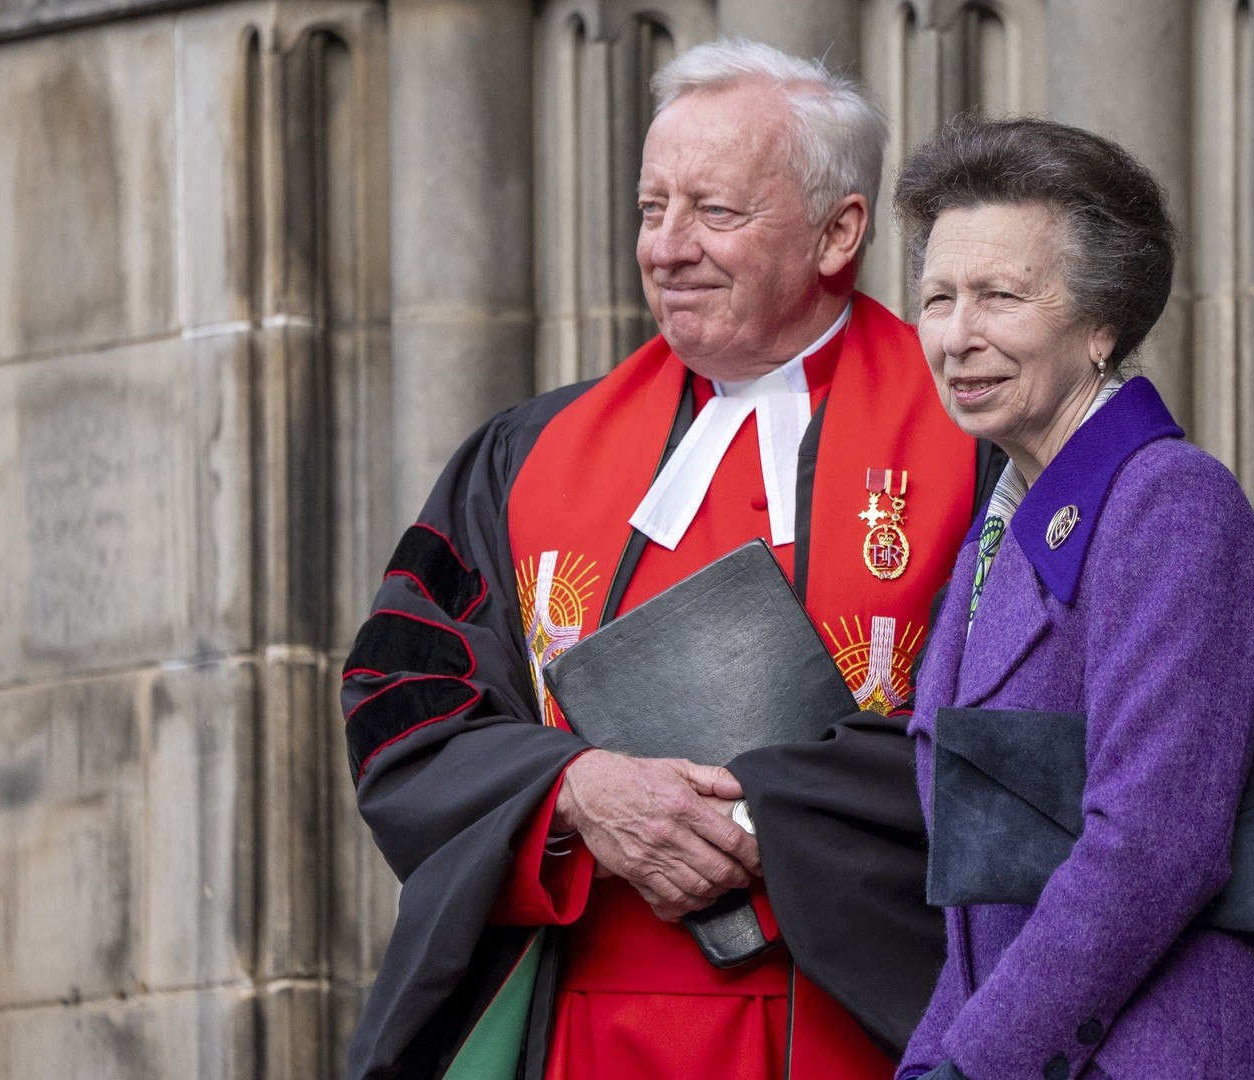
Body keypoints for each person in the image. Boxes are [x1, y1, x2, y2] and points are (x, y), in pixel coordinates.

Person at [343, 41, 1004, 1080]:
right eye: (653, 209)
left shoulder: (981, 447)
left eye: (716, 211)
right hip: (587, 1032)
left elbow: (1051, 743)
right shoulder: (528, 457)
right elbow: (405, 700)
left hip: (864, 1030)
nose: (667, 247)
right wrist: (573, 791)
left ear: (840, 233)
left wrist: (770, 816)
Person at [892, 117, 1254, 1080]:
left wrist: (974, 1067)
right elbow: (977, 911)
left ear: (1102, 325)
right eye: (938, 298)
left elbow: (1152, 849)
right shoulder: (1002, 522)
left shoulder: (1172, 504)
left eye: (1001, 296)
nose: (959, 335)